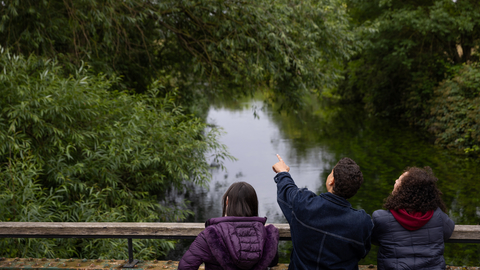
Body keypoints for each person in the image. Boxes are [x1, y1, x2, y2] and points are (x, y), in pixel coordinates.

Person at [272, 155, 373, 270]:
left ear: (332, 181)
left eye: (331, 172)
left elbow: (287, 191)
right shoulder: (362, 222)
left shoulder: (304, 204)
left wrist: (283, 172)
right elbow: (363, 252)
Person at [178, 181, 279, 270]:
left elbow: (185, 267)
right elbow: (272, 261)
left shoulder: (211, 234)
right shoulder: (267, 234)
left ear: (227, 201)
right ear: (254, 204)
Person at [372, 167, 455, 270]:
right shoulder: (438, 216)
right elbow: (448, 231)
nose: (395, 181)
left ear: (403, 191)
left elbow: (374, 239)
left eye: (398, 180)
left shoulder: (381, 218)